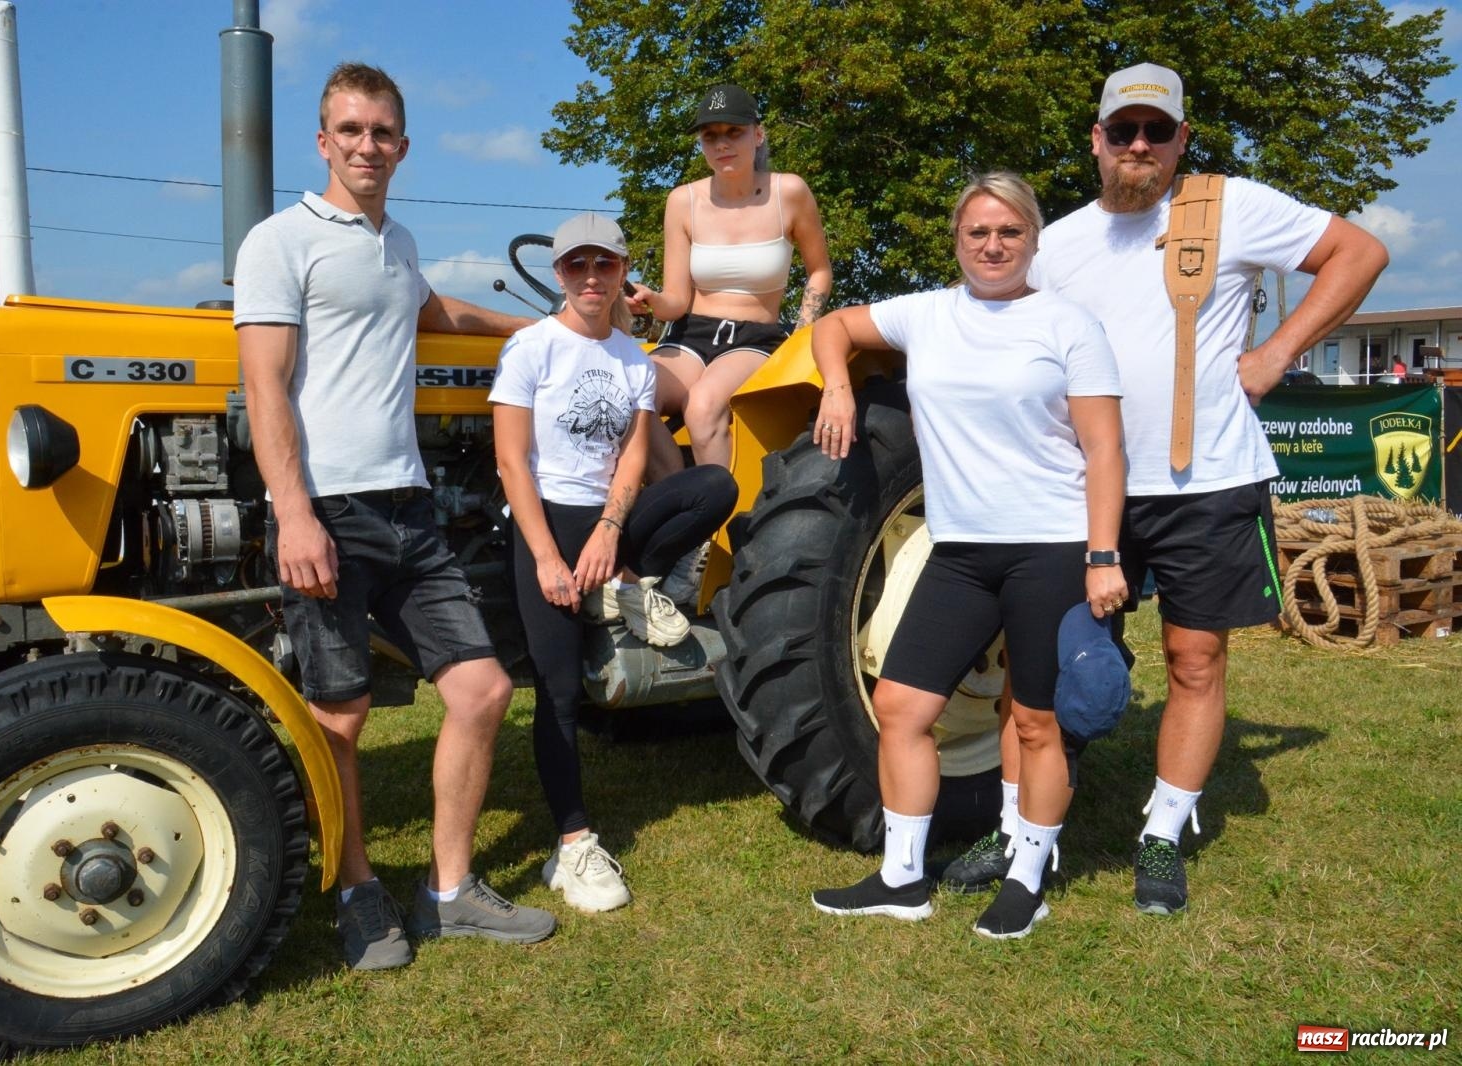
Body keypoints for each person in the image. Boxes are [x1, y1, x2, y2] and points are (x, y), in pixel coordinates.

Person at [1007, 61, 1388, 916]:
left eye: (1157, 131)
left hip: (1205, 478)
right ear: (1095, 141)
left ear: (1181, 140)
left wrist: (1278, 351)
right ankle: (1022, 834)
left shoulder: (1230, 207)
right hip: (1080, 484)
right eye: (1122, 130)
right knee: (1040, 663)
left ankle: (1162, 833)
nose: (1138, 145)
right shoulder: (1056, 243)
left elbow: (1358, 253)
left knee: (1195, 656)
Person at [233, 61, 556, 971]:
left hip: (407, 505)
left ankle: (450, 893)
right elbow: (265, 387)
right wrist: (293, 514)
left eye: (382, 133)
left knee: (483, 689)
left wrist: (534, 329)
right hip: (325, 507)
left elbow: (430, 309)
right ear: (323, 140)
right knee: (340, 715)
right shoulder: (280, 240)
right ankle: (357, 893)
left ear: (403, 146)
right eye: (351, 130)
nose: (367, 146)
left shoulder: (397, 240)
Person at [808, 172, 1128, 940]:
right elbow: (835, 327)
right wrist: (836, 389)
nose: (993, 245)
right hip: (957, 550)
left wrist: (1104, 554)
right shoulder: (926, 315)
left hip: (1049, 548)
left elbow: (1106, 448)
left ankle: (1027, 878)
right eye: (977, 232)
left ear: (1033, 239)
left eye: (1009, 232)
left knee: (1035, 722)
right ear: (957, 239)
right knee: (900, 707)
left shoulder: (1069, 326)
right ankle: (902, 878)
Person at [491, 212, 737, 912]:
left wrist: (610, 533)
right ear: (560, 274)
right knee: (560, 691)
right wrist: (546, 557)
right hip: (545, 523)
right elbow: (511, 461)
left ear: (622, 273)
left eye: (605, 266)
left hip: (604, 523)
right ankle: (572, 845)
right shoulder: (532, 348)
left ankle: (627, 585)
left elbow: (634, 454)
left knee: (713, 486)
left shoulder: (633, 359)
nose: (592, 278)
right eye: (577, 266)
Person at [627, 83, 831, 479]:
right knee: (624, 391)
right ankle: (680, 507)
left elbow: (819, 270)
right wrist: (651, 298)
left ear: (758, 134)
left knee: (703, 407)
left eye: (733, 132)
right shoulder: (682, 201)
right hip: (689, 335)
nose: (722, 144)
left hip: (754, 339)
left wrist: (803, 336)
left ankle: (717, 531)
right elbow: (676, 301)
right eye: (710, 136)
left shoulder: (788, 192)